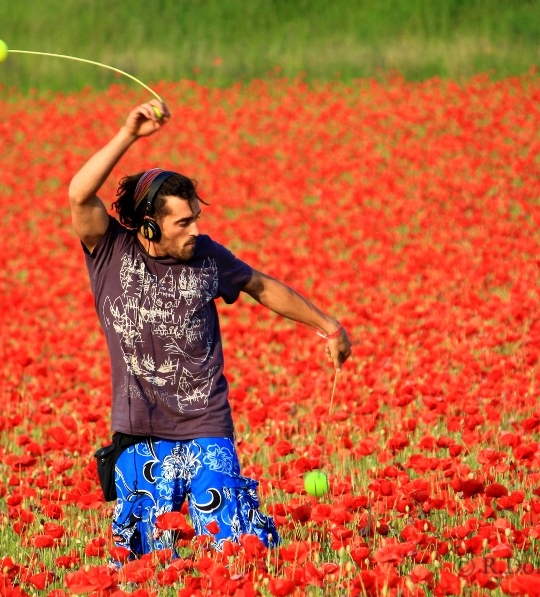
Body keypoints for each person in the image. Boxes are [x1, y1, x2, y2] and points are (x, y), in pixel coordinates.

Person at [68, 99, 352, 559]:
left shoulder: (207, 256)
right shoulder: (110, 251)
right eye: (183, 222)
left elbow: (261, 285)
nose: (195, 229)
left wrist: (328, 326)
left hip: (206, 425)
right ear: (149, 227)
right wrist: (129, 134)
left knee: (236, 548)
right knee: (143, 562)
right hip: (139, 433)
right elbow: (80, 195)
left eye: (196, 218)